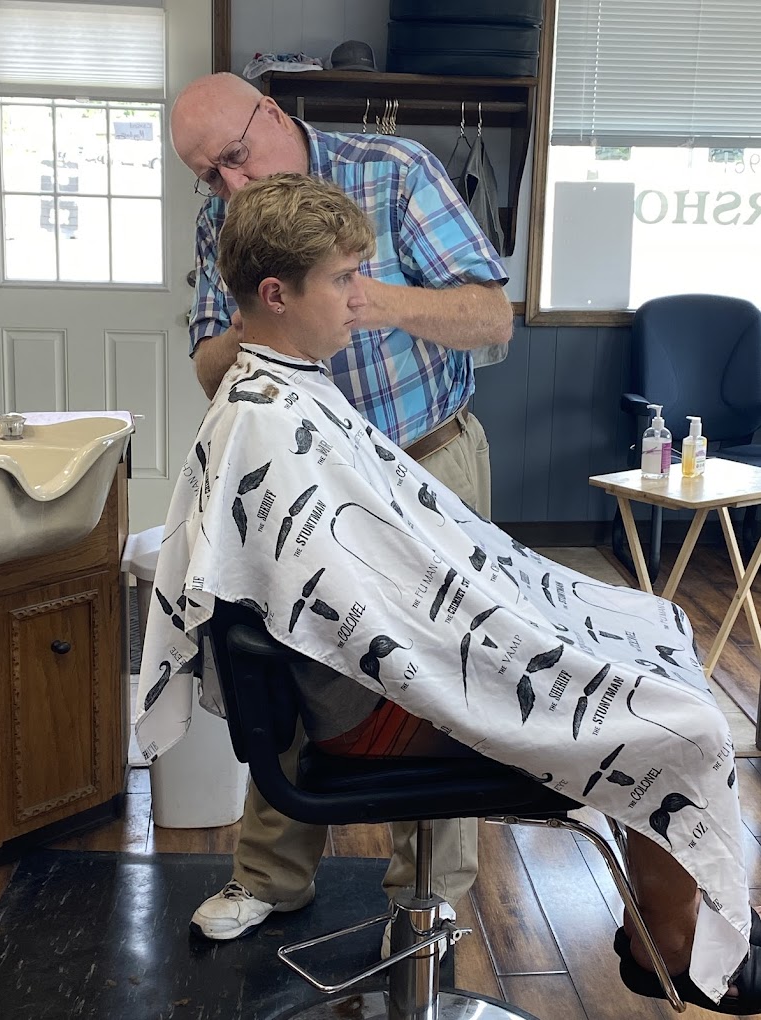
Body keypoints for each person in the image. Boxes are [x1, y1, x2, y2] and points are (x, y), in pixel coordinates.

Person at [136, 173, 761, 1015]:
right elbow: (371, 615)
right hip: (375, 707)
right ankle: (676, 950)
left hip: (383, 676)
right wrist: (517, 631)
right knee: (682, 723)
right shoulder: (268, 422)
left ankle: (675, 920)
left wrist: (525, 609)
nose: (362, 299)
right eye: (345, 279)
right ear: (277, 294)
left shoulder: (281, 390)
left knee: (650, 627)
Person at [169, 70, 512, 945]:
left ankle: (424, 898)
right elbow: (211, 362)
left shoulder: (394, 171)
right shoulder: (227, 219)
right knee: (284, 662)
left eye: (239, 158)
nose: (233, 186)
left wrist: (356, 293)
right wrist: (270, 311)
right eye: (210, 176)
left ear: (274, 115)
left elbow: (491, 317)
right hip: (302, 481)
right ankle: (269, 877)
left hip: (427, 462)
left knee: (441, 678)